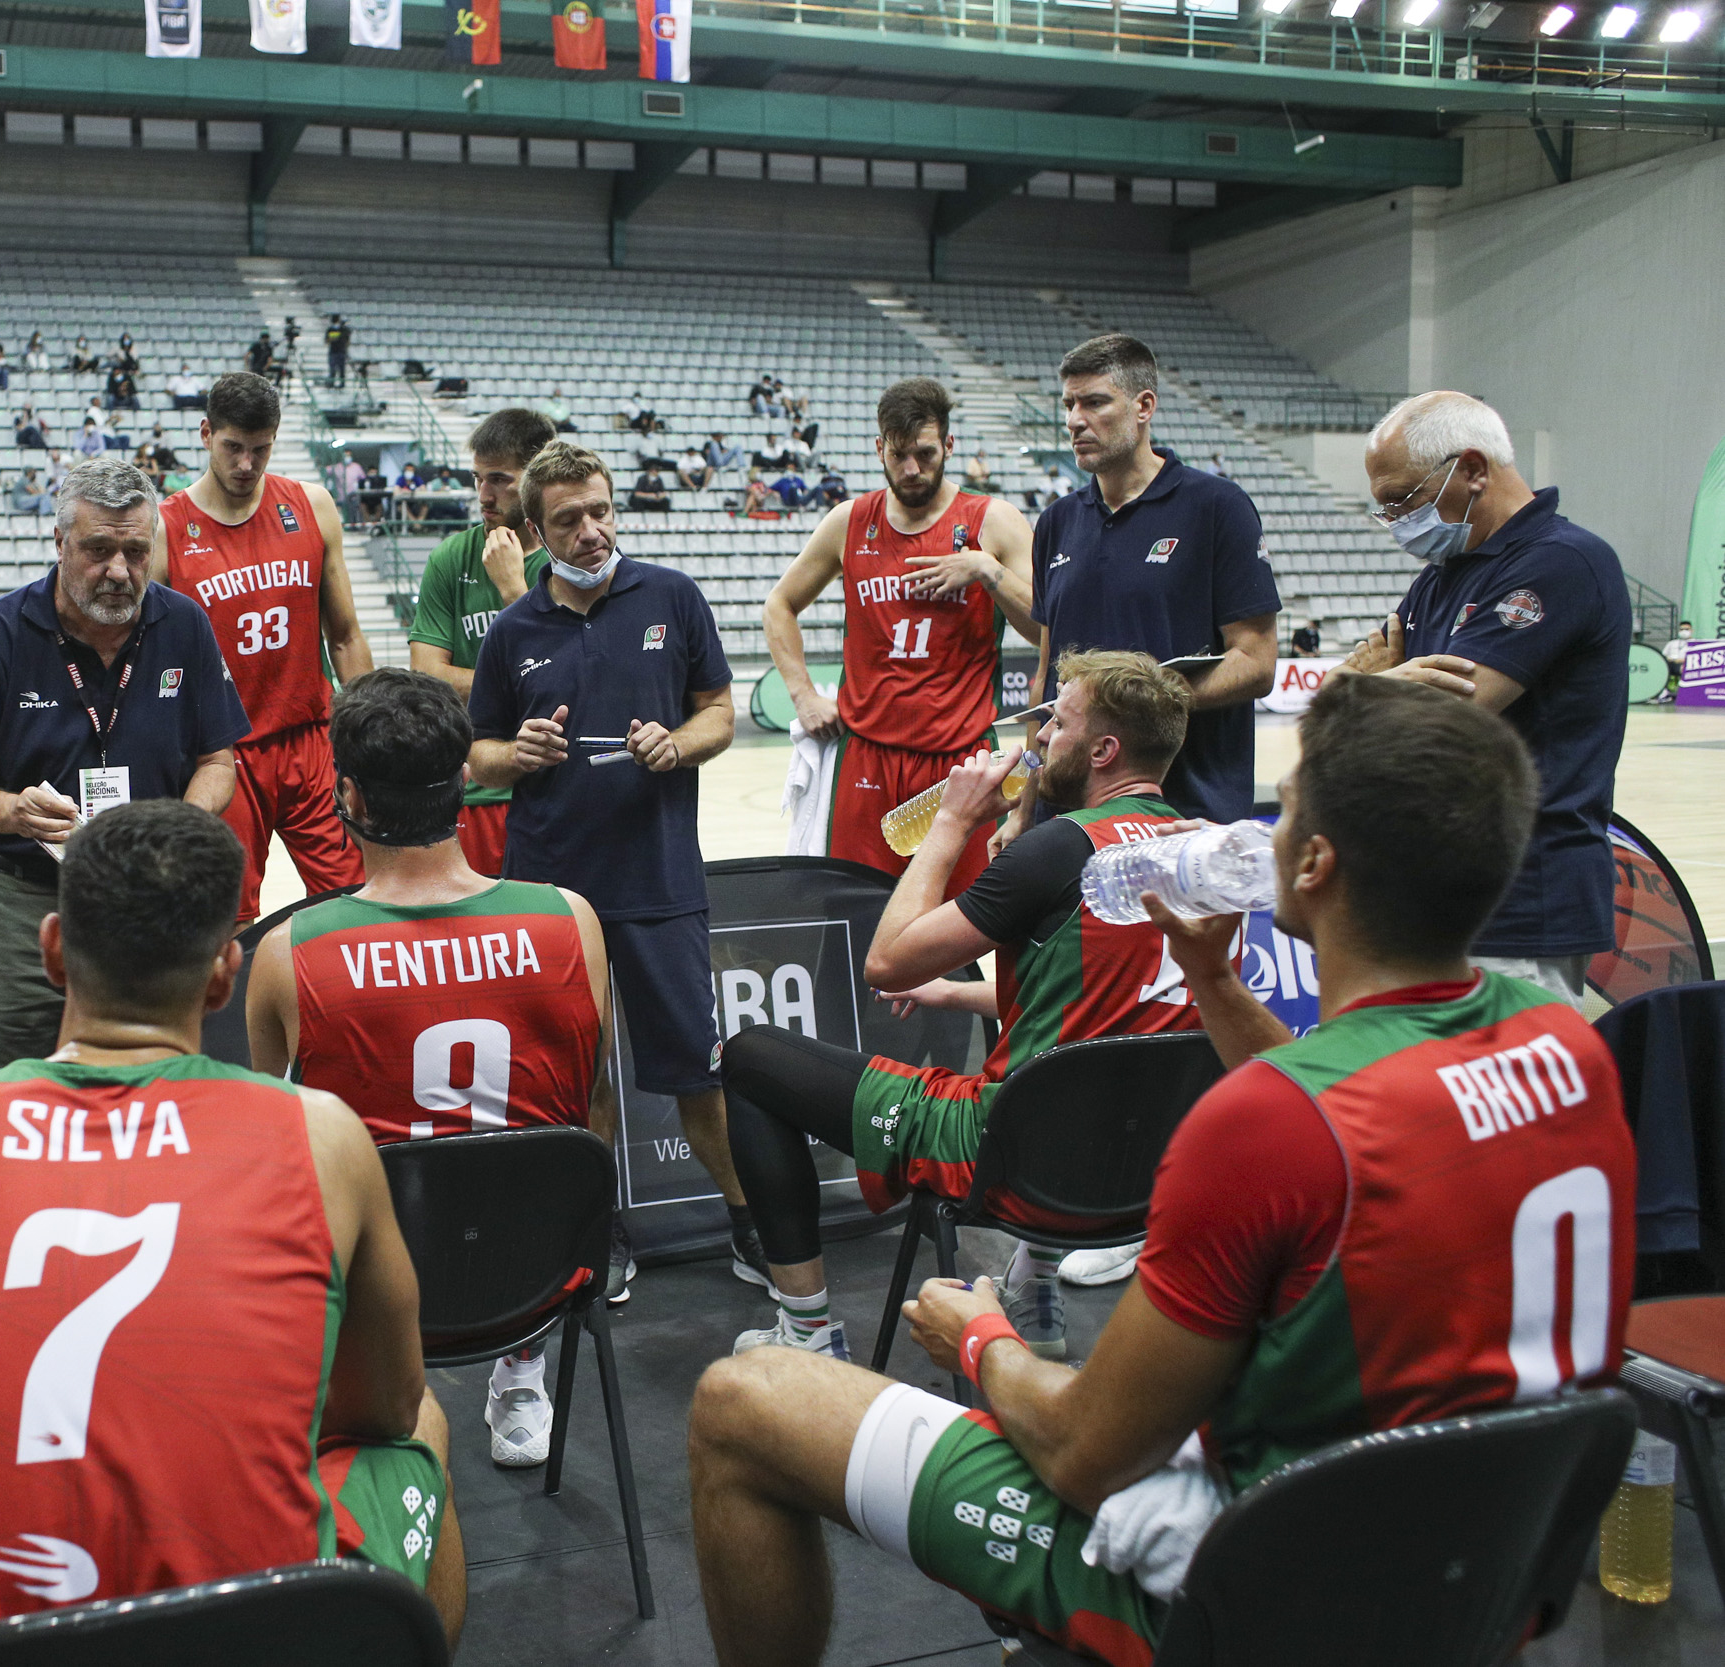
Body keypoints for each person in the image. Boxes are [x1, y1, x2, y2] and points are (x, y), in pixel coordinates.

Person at [689, 674, 1633, 1667]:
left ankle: (828, 1323)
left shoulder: (1263, 1127)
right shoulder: (1570, 1046)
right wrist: (1213, 981)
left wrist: (980, 1343)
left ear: (1310, 863)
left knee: (740, 1405)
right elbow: (1347, 1113)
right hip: (1474, 1579)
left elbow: (1084, 1452)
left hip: (1253, 1601)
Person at [0, 801, 465, 1663]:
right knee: (422, 1418)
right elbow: (381, 1403)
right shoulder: (323, 1136)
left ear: (53, 949)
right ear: (223, 975)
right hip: (254, 1634)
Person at [721, 651, 1203, 1360]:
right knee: (1066, 1073)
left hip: (1008, 1153)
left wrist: (952, 821)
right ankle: (1033, 1285)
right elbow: (1098, 1003)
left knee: (750, 1057)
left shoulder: (1058, 851)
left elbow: (886, 957)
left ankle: (809, 1331)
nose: (1038, 739)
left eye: (1057, 724)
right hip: (1139, 1173)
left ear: (1104, 750)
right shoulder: (1195, 843)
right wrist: (949, 990)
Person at [247, 669, 609, 1467]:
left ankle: (377, 1402)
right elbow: (593, 1108)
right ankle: (522, 1373)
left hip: (376, 1288)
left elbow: (280, 1153)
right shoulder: (571, 919)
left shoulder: (288, 952)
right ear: (463, 783)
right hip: (540, 1273)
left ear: (351, 798)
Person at [467, 441, 761, 1293]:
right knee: (583, 1084)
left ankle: (747, 1219)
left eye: (600, 510)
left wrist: (678, 744)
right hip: (555, 896)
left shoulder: (673, 594)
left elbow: (718, 713)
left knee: (697, 1081)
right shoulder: (514, 631)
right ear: (533, 531)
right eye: (568, 519)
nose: (592, 532)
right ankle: (602, 1235)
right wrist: (513, 752)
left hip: (660, 883)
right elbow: (476, 755)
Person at [0, 456, 244, 1076]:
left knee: (148, 1079)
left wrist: (176, 825)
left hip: (150, 894)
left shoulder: (185, 625)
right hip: (21, 901)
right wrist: (11, 811)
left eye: (136, 551)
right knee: (1, 1082)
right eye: (98, 550)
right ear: (60, 542)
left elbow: (217, 759)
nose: (119, 572)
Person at [1342, 390, 1631, 1010]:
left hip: (1523, 897)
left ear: (1472, 469)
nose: (1395, 521)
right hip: (1439, 892)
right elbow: (1378, 707)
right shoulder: (1441, 576)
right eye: (1384, 509)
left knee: (1511, 1104)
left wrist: (1357, 694)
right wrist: (1369, 695)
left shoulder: (1562, 562)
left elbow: (1432, 721)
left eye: (1403, 501)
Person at [763, 379, 1040, 892]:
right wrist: (802, 695)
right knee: (858, 921)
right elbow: (779, 605)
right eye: (899, 454)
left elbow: (1044, 629)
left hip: (963, 759)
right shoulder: (849, 521)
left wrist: (986, 570)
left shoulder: (994, 522)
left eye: (925, 454)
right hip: (867, 756)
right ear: (879, 448)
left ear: (949, 446)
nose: (912, 469)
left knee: (969, 926)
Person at [1013, 335, 1278, 828]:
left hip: (1183, 815)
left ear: (1144, 406)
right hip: (1068, 820)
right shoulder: (1056, 522)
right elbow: (1046, 678)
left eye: (1094, 402)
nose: (1074, 420)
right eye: (1069, 404)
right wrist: (1026, 809)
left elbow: (1256, 663)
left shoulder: (1218, 507)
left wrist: (1131, 709)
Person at [161, 372, 373, 922]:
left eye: (261, 449)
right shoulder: (165, 529)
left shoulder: (312, 505)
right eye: (233, 447)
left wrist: (373, 733)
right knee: (226, 918)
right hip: (223, 753)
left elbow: (345, 635)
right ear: (206, 433)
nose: (246, 465)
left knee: (356, 896)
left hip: (311, 740)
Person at [406, 410, 557, 876]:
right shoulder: (453, 557)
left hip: (552, 785)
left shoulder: (569, 559)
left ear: (538, 478)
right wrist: (517, 682)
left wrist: (514, 589)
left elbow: (572, 676)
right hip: (470, 788)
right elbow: (428, 676)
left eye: (499, 479)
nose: (484, 495)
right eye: (477, 478)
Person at [325, 313, 352, 386]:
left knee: (342, 370)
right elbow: (327, 340)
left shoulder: (344, 330)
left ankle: (342, 383)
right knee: (332, 369)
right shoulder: (330, 329)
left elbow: (346, 339)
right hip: (334, 351)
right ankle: (331, 383)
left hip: (341, 351)